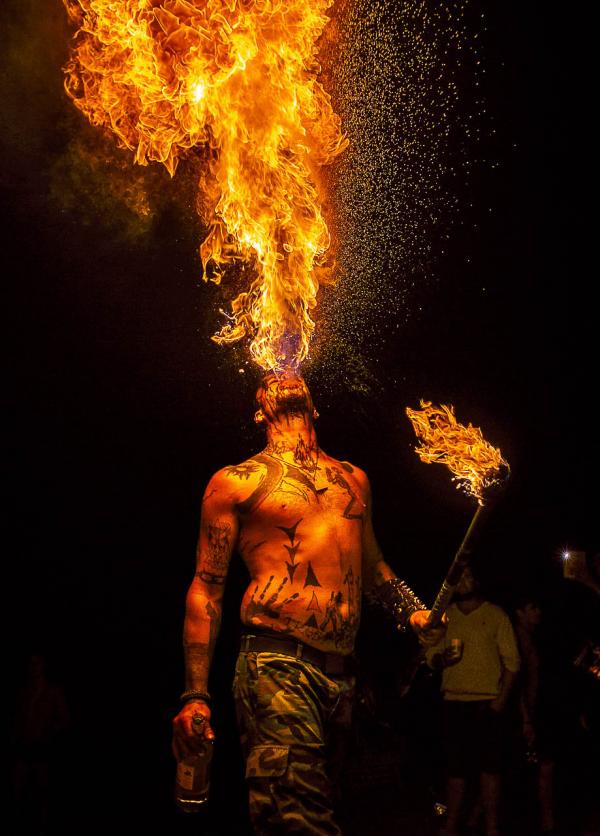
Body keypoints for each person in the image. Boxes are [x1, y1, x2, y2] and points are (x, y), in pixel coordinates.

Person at [172, 371, 444, 834]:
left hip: (343, 678)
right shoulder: (236, 482)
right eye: (269, 380)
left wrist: (412, 611)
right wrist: (196, 694)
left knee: (338, 811)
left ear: (315, 407)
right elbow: (206, 588)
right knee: (298, 819)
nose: (284, 373)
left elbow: (374, 567)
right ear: (260, 412)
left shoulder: (354, 478)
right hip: (276, 665)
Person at [425, 566, 520, 836]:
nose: (464, 582)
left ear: (477, 580)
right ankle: (452, 825)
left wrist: (500, 702)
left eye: (469, 576)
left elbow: (513, 663)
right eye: (458, 579)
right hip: (453, 702)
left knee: (490, 770)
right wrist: (443, 660)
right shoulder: (445, 617)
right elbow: (431, 656)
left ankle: (491, 827)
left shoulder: (495, 614)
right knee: (456, 769)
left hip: (486, 703)